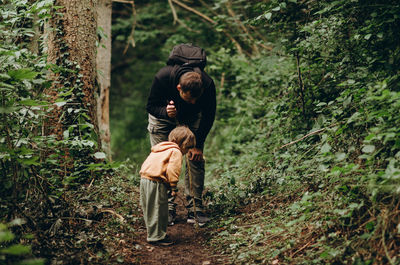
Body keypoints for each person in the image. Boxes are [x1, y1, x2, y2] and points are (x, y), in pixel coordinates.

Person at [146, 51, 216, 226]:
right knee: (163, 159)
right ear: (179, 89)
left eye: (196, 98)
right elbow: (151, 106)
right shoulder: (163, 77)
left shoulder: (207, 84)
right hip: (162, 119)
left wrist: (197, 144)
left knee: (195, 158)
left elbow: (208, 116)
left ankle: (195, 208)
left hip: (191, 120)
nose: (193, 102)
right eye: (189, 98)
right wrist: (165, 112)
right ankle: (166, 208)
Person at [140, 126, 196, 246]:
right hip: (156, 181)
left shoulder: (160, 149)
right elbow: (172, 170)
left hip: (145, 180)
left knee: (150, 209)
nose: (186, 152)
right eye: (187, 147)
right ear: (178, 142)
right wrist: (173, 186)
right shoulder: (175, 151)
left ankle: (155, 233)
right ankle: (156, 237)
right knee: (159, 209)